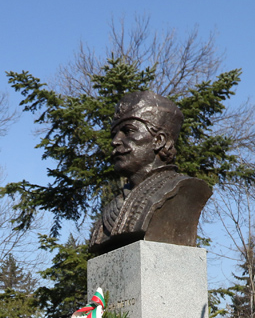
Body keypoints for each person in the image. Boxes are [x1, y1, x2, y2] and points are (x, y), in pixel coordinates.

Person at [89, 91, 212, 255]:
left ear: (159, 141)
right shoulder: (113, 207)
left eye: (129, 131)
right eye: (114, 134)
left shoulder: (182, 190)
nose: (115, 141)